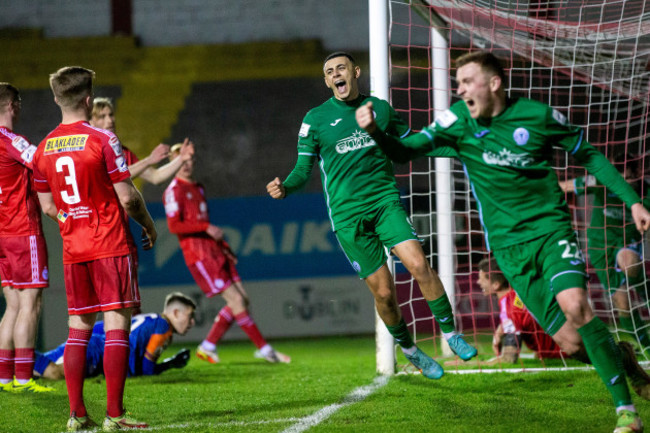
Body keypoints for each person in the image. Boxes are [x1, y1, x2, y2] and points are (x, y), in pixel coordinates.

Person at [356, 50, 650, 432]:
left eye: (466, 82)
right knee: (572, 345)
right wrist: (377, 132)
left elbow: (590, 155)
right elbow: (405, 153)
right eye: (457, 83)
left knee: (577, 305)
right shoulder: (457, 121)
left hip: (551, 233)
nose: (459, 90)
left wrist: (634, 202)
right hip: (510, 252)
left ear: (493, 83)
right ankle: (623, 358)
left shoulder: (537, 117)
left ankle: (626, 412)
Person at [266, 51, 477, 381]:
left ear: (355, 72)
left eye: (341, 68)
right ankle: (409, 350)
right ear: (326, 81)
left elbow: (410, 143)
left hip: (384, 203)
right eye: (329, 71)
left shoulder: (380, 108)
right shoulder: (315, 119)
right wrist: (285, 187)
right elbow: (302, 170)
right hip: (348, 218)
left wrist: (455, 149)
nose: (336, 74)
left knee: (419, 264)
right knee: (384, 294)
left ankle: (451, 335)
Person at [33, 66, 157, 431]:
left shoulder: (43, 148)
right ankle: (115, 416)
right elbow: (128, 198)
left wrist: (75, 223)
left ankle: (76, 416)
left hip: (74, 249)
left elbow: (47, 207)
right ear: (89, 100)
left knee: (78, 329)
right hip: (110, 245)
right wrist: (148, 225)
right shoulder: (102, 140)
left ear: (57, 99)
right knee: (117, 325)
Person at [164, 143, 290, 364]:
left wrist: (223, 247)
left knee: (242, 299)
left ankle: (208, 346)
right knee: (237, 301)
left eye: (189, 160)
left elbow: (203, 224)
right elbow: (174, 226)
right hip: (199, 255)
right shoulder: (173, 190)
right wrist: (205, 228)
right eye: (181, 161)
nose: (186, 164)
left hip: (215, 250)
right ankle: (266, 350)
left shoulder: (198, 187)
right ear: (173, 163)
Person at [90, 97, 194, 314]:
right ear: (90, 121)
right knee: (113, 310)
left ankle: (129, 349)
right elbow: (110, 180)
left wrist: (180, 160)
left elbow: (155, 176)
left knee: (130, 307)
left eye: (111, 114)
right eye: (102, 116)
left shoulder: (121, 151)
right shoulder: (90, 151)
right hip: (100, 238)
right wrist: (148, 159)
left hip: (120, 236)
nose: (110, 120)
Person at [560, 152, 650, 352]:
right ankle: (647, 346)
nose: (625, 184)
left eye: (629, 178)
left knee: (629, 262)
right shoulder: (601, 182)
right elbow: (564, 186)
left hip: (627, 242)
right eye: (621, 179)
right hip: (600, 248)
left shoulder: (645, 191)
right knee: (622, 304)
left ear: (637, 173)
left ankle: (645, 290)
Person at [0, 83, 52, 393]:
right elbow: (42, 162)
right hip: (22, 231)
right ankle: (23, 378)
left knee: (13, 307)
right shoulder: (11, 141)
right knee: (30, 305)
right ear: (13, 106)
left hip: (2, 234)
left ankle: (5, 378)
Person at [34, 292, 195, 380]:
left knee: (37, 370)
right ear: (175, 313)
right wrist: (170, 364)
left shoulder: (154, 320)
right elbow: (147, 369)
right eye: (190, 316)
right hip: (98, 351)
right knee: (54, 373)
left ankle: (15, 361)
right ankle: (16, 353)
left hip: (98, 347)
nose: (192, 322)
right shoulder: (163, 328)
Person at [477, 257, 563, 363]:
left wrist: (482, 364)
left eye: (482, 279)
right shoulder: (518, 293)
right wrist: (501, 329)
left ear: (496, 284)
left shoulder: (509, 308)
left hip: (563, 353)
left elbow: (510, 359)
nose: (478, 282)